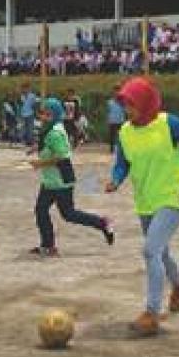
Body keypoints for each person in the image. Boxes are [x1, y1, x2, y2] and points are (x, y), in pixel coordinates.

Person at [105, 77, 179, 336]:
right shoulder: (125, 132)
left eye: (132, 104)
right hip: (145, 200)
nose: (128, 110)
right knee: (160, 252)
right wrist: (116, 179)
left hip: (174, 197)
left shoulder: (168, 124)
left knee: (150, 250)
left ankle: (151, 312)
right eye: (125, 104)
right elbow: (122, 162)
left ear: (146, 102)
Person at [29, 97, 116, 257]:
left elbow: (62, 156)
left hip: (60, 179)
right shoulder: (49, 129)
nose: (43, 117)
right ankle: (48, 245)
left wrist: (40, 164)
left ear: (55, 115)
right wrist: (36, 148)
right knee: (42, 210)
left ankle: (102, 223)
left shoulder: (56, 132)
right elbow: (47, 145)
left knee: (68, 214)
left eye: (47, 114)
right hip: (50, 180)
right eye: (42, 114)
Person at [106, 85, 126, 153]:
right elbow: (108, 111)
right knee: (112, 135)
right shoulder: (110, 102)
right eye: (115, 91)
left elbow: (126, 110)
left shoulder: (123, 101)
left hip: (120, 120)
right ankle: (112, 148)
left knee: (122, 135)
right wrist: (108, 119)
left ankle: (122, 148)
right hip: (112, 121)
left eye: (118, 91)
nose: (116, 92)